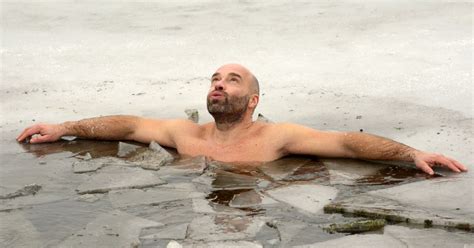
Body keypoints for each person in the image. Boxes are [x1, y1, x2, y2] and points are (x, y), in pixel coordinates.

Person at [17, 64, 467, 175]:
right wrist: (64, 127)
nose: (218, 85)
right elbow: (130, 125)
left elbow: (348, 143)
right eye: (214, 79)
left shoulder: (278, 137)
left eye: (231, 81)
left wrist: (410, 154)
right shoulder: (186, 133)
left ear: (252, 100)